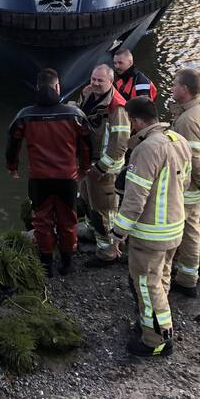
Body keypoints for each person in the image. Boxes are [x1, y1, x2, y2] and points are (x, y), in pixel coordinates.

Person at [110, 96, 191, 357]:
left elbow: (134, 199)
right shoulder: (178, 140)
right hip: (174, 228)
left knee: (146, 285)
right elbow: (185, 183)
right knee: (161, 281)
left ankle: (156, 339)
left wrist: (118, 232)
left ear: (136, 121)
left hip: (150, 234)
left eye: (130, 122)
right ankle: (151, 323)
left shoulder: (146, 149)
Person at [7, 68, 93, 277]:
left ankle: (46, 265)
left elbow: (13, 143)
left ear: (37, 88)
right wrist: (84, 167)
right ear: (57, 87)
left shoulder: (25, 115)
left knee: (41, 221)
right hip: (67, 178)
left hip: (39, 179)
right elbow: (87, 144)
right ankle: (67, 263)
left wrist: (13, 167)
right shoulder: (74, 115)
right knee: (68, 220)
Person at [169, 68, 200, 298]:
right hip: (197, 188)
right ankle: (188, 277)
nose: (171, 88)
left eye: (175, 84)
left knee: (180, 233)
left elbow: (194, 158)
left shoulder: (188, 120)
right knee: (192, 232)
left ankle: (180, 279)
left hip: (187, 189)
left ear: (185, 90)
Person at [72, 64, 130, 267]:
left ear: (111, 81)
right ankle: (92, 232)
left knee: (104, 211)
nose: (95, 83)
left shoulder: (117, 107)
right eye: (93, 79)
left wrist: (101, 168)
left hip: (104, 168)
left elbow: (119, 145)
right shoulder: (88, 93)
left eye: (100, 80)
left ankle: (108, 253)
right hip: (88, 162)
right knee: (88, 202)